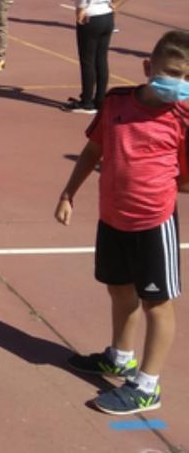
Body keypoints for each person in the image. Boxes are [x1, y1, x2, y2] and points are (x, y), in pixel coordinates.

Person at [55, 30, 189, 415]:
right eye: (172, 73)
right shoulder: (115, 103)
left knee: (156, 303)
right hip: (112, 216)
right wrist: (68, 193)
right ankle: (120, 356)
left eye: (186, 77)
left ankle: (147, 385)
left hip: (153, 223)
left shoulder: (183, 117)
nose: (178, 84)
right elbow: (94, 148)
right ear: (149, 68)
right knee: (119, 291)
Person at [63, 0, 137, 115]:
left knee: (87, 60)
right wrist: (116, 4)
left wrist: (80, 9)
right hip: (107, 16)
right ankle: (100, 100)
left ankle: (87, 101)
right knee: (101, 59)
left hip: (91, 16)